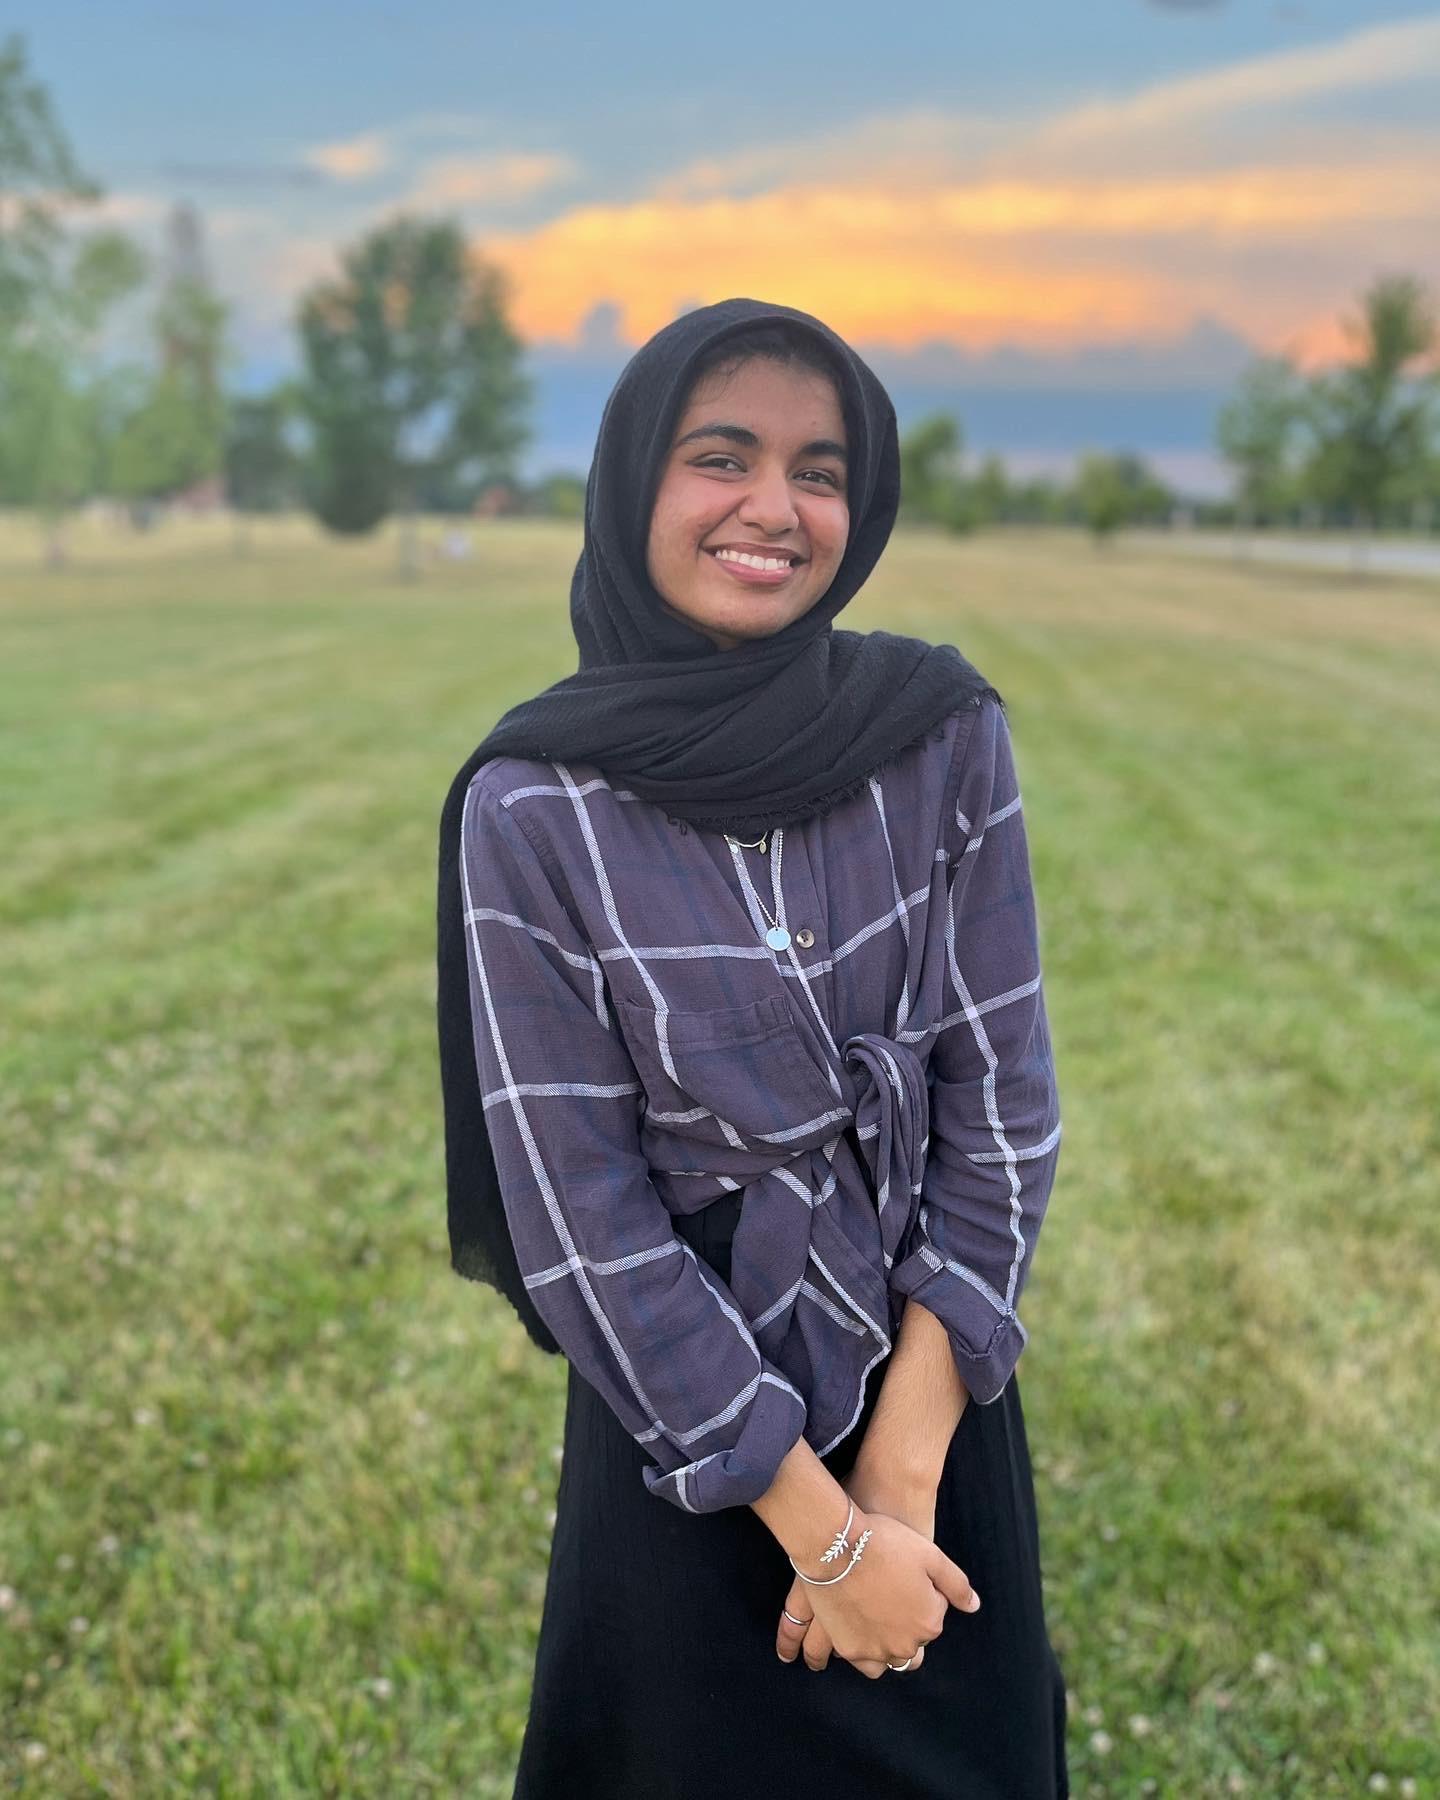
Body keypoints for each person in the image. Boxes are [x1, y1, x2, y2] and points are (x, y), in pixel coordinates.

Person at [435, 297, 1069, 1797]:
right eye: (722, 457)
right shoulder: (533, 808)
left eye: (821, 468)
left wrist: (900, 1487)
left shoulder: (939, 732)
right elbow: (584, 1222)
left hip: (932, 1383)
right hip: (692, 1435)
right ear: (635, 480)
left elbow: (1004, 1110)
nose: (776, 510)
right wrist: (824, 1536)